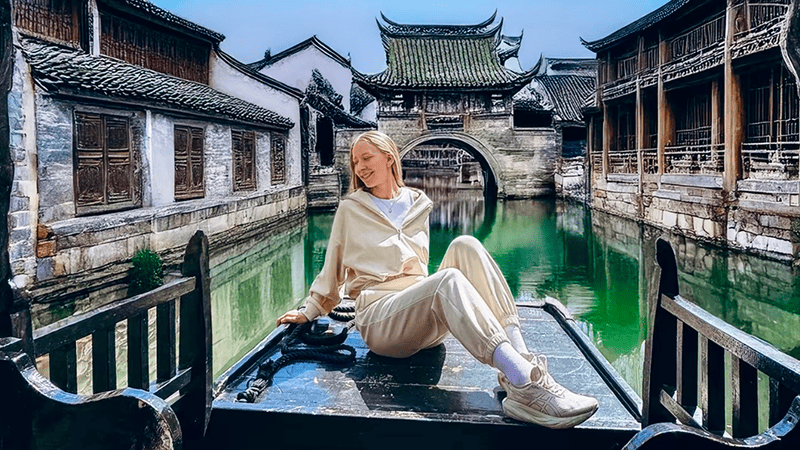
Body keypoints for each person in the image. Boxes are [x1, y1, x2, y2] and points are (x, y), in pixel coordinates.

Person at [277, 130, 598, 429]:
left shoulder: (418, 202)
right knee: (447, 280)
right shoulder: (351, 209)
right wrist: (311, 310)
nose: (359, 167)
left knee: (466, 245)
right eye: (355, 162)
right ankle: (526, 382)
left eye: (366, 158)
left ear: (389, 157)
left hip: (423, 321)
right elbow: (331, 269)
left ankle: (521, 368)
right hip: (381, 323)